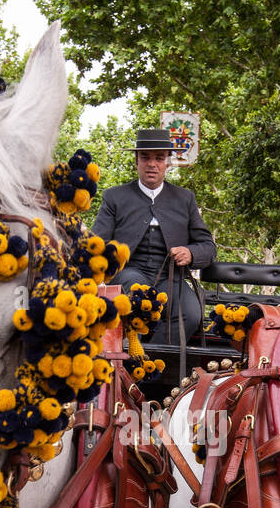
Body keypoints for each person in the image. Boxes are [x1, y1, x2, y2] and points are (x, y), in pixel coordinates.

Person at [92, 128, 216, 348]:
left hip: (170, 279)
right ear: (136, 161)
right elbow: (96, 242)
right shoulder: (114, 197)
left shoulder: (185, 199)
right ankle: (133, 363)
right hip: (128, 273)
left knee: (191, 313)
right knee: (142, 300)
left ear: (167, 163)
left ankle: (151, 367)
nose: (152, 164)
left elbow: (208, 246)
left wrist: (190, 253)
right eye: (145, 158)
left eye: (159, 158)